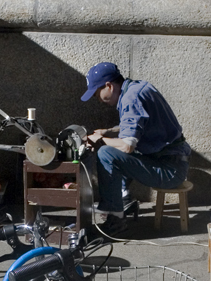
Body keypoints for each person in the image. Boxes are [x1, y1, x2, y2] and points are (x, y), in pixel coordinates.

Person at [81, 62, 190, 234]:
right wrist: (108, 131)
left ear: (109, 86)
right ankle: (124, 200)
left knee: (106, 154)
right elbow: (137, 125)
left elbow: (127, 146)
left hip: (170, 171)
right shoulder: (136, 88)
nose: (98, 99)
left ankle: (115, 219)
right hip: (171, 162)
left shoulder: (131, 99)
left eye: (96, 94)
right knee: (113, 150)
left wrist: (100, 139)